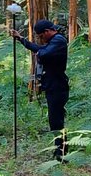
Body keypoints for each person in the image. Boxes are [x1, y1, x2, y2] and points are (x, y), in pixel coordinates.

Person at [11, 19, 69, 161]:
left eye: (42, 36)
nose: (41, 40)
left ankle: (61, 152)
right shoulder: (52, 42)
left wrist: (40, 53)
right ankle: (59, 150)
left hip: (58, 87)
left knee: (56, 120)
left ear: (48, 31)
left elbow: (42, 53)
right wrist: (21, 39)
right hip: (52, 86)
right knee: (54, 120)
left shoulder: (59, 40)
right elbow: (40, 50)